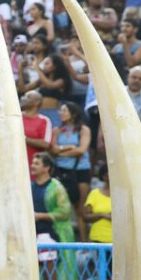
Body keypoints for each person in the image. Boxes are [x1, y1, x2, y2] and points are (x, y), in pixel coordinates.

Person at [31, 153, 75, 280]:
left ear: (47, 167)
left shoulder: (56, 187)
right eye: (33, 163)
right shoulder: (30, 186)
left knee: (50, 272)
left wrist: (40, 216)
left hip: (48, 236)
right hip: (32, 235)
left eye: (37, 163)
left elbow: (64, 212)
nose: (33, 166)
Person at [51, 102, 91, 240]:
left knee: (80, 208)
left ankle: (84, 244)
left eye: (64, 110)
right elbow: (53, 150)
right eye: (60, 110)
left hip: (80, 170)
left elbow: (81, 150)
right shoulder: (57, 130)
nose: (61, 113)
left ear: (73, 113)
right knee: (59, 205)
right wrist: (69, 147)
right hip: (61, 170)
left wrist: (61, 151)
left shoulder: (83, 130)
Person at [21, 91, 53, 166]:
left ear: (37, 102)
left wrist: (23, 139)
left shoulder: (44, 120)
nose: (23, 99)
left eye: (27, 97)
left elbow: (46, 144)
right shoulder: (16, 116)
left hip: (32, 164)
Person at [83, 166, 112, 245]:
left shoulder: (122, 195)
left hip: (119, 240)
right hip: (98, 240)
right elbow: (85, 217)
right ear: (103, 176)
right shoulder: (95, 194)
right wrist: (102, 215)